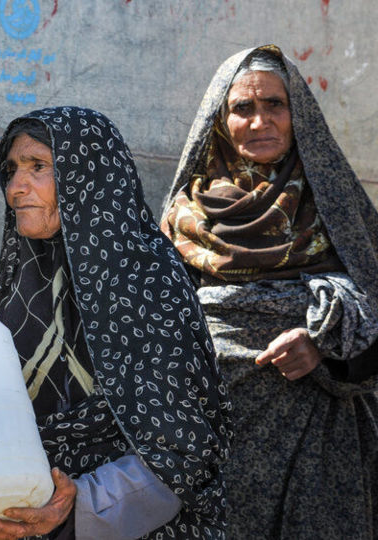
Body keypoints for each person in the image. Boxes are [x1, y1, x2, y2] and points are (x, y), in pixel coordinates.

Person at [0, 107, 232, 540]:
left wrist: (81, 505)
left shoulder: (145, 279)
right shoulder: (26, 280)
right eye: (12, 170)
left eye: (38, 167)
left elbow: (181, 446)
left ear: (88, 176)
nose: (15, 188)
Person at [160, 45, 378, 539]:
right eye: (243, 108)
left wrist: (324, 347)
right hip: (214, 440)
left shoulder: (338, 209)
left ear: (297, 112)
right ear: (220, 119)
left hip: (323, 442)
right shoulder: (185, 216)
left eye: (275, 105)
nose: (260, 121)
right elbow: (157, 330)